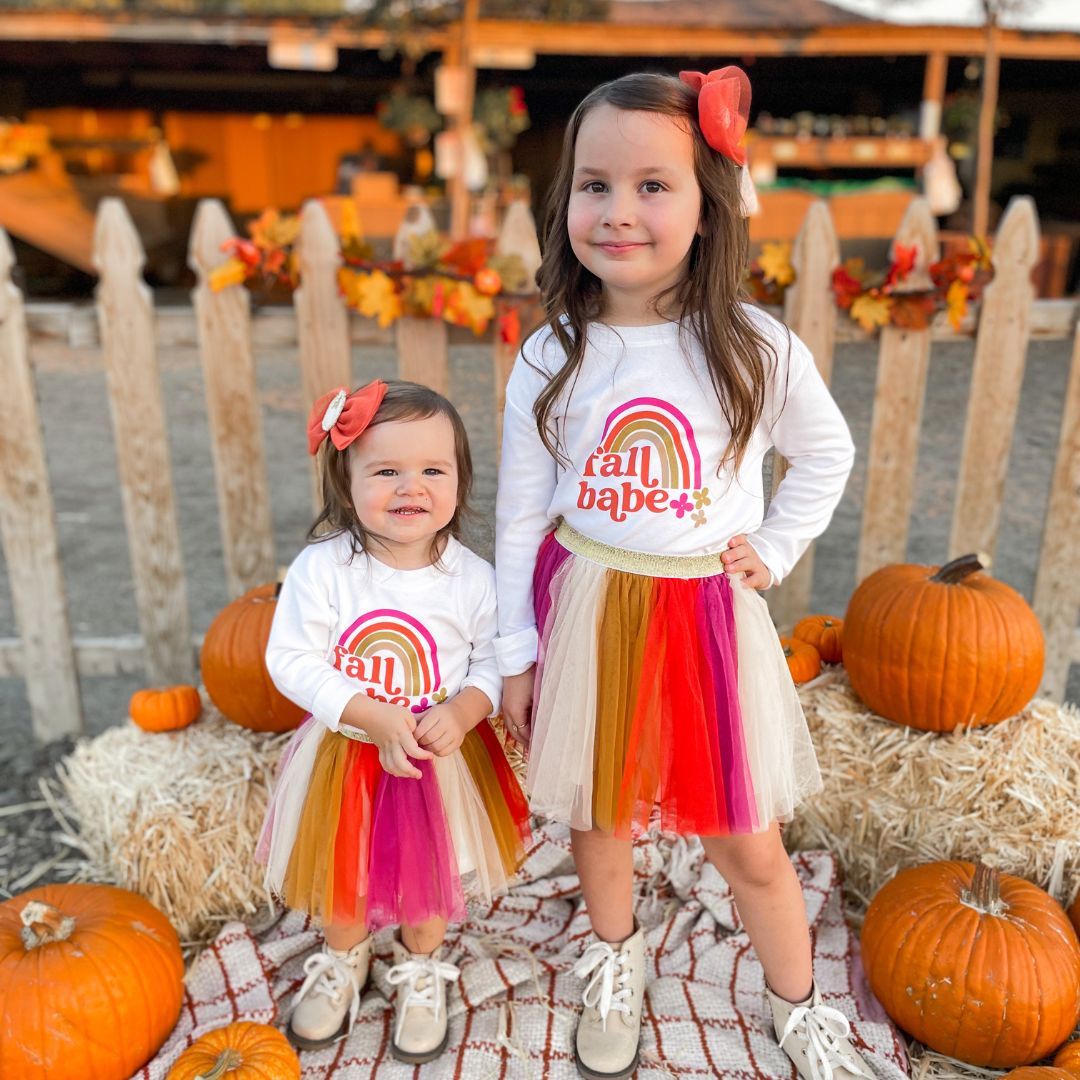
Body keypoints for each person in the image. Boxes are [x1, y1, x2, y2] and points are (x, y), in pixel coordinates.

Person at [494, 68, 869, 1080]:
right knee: (600, 812)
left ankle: (799, 1006)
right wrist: (515, 653)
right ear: (563, 198)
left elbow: (825, 455)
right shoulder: (552, 356)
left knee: (746, 839)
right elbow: (522, 514)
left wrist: (776, 547)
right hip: (588, 605)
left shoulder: (751, 347)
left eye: (653, 186)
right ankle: (615, 958)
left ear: (709, 205)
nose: (618, 212)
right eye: (594, 185)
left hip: (706, 614)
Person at [258, 379, 530, 1062]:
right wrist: (364, 712)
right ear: (346, 485)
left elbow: (492, 664)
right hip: (349, 751)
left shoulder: (471, 579)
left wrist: (466, 709)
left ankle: (421, 967)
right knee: (346, 867)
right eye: (386, 471)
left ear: (460, 482)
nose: (412, 487)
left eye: (432, 470)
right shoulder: (325, 571)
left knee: (428, 872)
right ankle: (344, 956)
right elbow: (289, 658)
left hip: (437, 757)